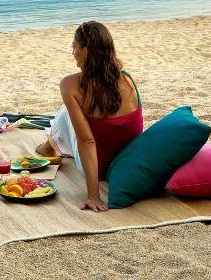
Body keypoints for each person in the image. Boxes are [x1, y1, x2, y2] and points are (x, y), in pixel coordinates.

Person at [36, 21, 143, 212]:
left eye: (74, 47)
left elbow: (87, 142)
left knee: (68, 110)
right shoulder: (128, 79)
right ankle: (50, 145)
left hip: (99, 169)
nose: (72, 52)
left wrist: (94, 196)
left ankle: (49, 146)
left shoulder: (70, 84)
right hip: (126, 164)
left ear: (85, 51)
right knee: (73, 110)